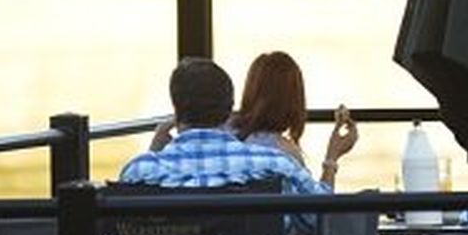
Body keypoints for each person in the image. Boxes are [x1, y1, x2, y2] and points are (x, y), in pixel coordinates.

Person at [121, 57, 346, 199]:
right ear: (229, 109)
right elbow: (323, 213)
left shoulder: (138, 171)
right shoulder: (276, 164)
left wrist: (155, 152)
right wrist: (332, 159)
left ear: (176, 109)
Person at [229, 51, 358, 188]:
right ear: (293, 101)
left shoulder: (222, 134)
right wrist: (332, 157)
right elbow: (319, 204)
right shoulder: (285, 154)